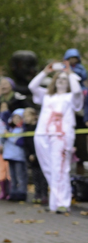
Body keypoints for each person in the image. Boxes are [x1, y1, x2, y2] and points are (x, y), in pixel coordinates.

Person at [29, 65, 83, 213]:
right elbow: (32, 86)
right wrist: (46, 71)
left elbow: (77, 91)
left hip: (61, 136)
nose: (61, 81)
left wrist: (70, 74)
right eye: (59, 78)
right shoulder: (46, 96)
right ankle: (55, 203)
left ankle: (63, 203)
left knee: (60, 168)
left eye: (64, 79)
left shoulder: (71, 97)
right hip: (42, 135)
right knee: (49, 169)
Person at [1, 108, 28, 201]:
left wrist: (9, 136)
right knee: (12, 176)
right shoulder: (10, 129)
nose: (16, 120)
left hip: (19, 156)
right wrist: (3, 136)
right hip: (9, 156)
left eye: (19, 118)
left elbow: (20, 142)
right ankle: (13, 192)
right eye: (14, 118)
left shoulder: (23, 130)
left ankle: (22, 193)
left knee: (20, 176)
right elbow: (3, 141)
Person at [22, 107, 47, 205]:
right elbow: (26, 144)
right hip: (31, 157)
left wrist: (36, 155)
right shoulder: (26, 129)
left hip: (40, 156)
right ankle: (37, 194)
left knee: (43, 176)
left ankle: (44, 194)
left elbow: (41, 143)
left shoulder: (39, 127)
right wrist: (29, 155)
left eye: (27, 116)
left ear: (34, 116)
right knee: (35, 177)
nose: (26, 118)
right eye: (24, 117)